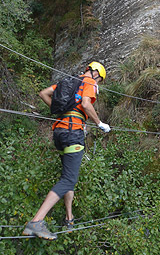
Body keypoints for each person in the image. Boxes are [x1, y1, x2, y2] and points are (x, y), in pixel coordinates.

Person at [23, 62, 111, 240]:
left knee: (68, 175)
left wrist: (62, 113)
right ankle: (36, 221)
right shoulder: (90, 83)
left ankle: (69, 218)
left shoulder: (69, 81)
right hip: (73, 133)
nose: (98, 83)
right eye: (100, 80)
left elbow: (44, 93)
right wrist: (99, 123)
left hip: (59, 133)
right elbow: (86, 104)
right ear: (96, 74)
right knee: (69, 179)